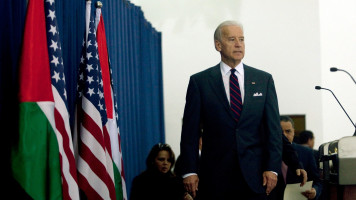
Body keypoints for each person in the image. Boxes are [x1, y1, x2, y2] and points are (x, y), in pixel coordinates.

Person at [179, 20, 282, 200]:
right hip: (215, 177)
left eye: (241, 39)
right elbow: (190, 132)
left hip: (257, 176)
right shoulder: (200, 82)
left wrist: (272, 167)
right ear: (218, 45)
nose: (238, 44)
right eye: (232, 39)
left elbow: (273, 130)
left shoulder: (263, 80)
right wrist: (189, 171)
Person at [280, 116, 322, 200]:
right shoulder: (267, 153)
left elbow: (317, 181)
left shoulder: (306, 152)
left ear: (293, 132)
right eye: (280, 132)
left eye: (288, 131)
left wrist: (315, 191)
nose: (284, 135)